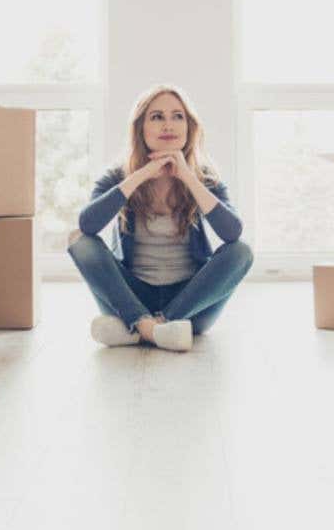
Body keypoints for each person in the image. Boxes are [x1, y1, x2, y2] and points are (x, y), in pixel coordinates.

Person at [67, 84, 253, 352]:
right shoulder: (119, 176)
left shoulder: (205, 177)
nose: (169, 125)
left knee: (242, 251)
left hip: (190, 301)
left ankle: (141, 329)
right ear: (140, 127)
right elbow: (87, 224)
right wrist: (142, 174)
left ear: (189, 127)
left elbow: (232, 234)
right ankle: (148, 326)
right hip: (132, 297)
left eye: (178, 116)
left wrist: (188, 176)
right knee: (79, 241)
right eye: (157, 117)